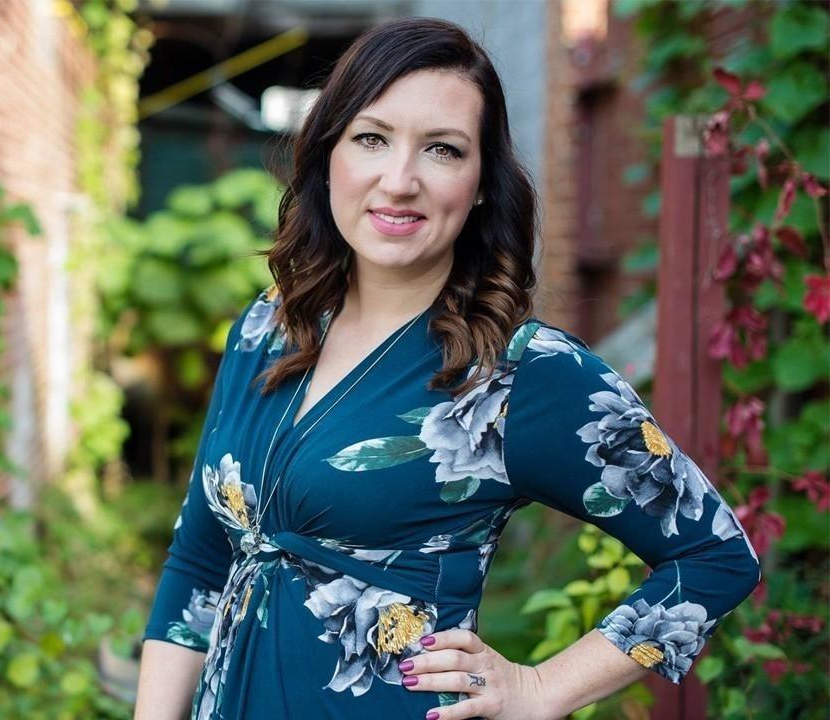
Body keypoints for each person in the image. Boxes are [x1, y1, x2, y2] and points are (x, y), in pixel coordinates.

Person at [133, 17, 761, 720]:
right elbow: (199, 561)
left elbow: (715, 557)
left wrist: (541, 688)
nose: (399, 181)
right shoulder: (266, 327)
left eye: (442, 149)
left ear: (483, 182)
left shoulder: (518, 375)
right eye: (372, 138)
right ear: (328, 153)